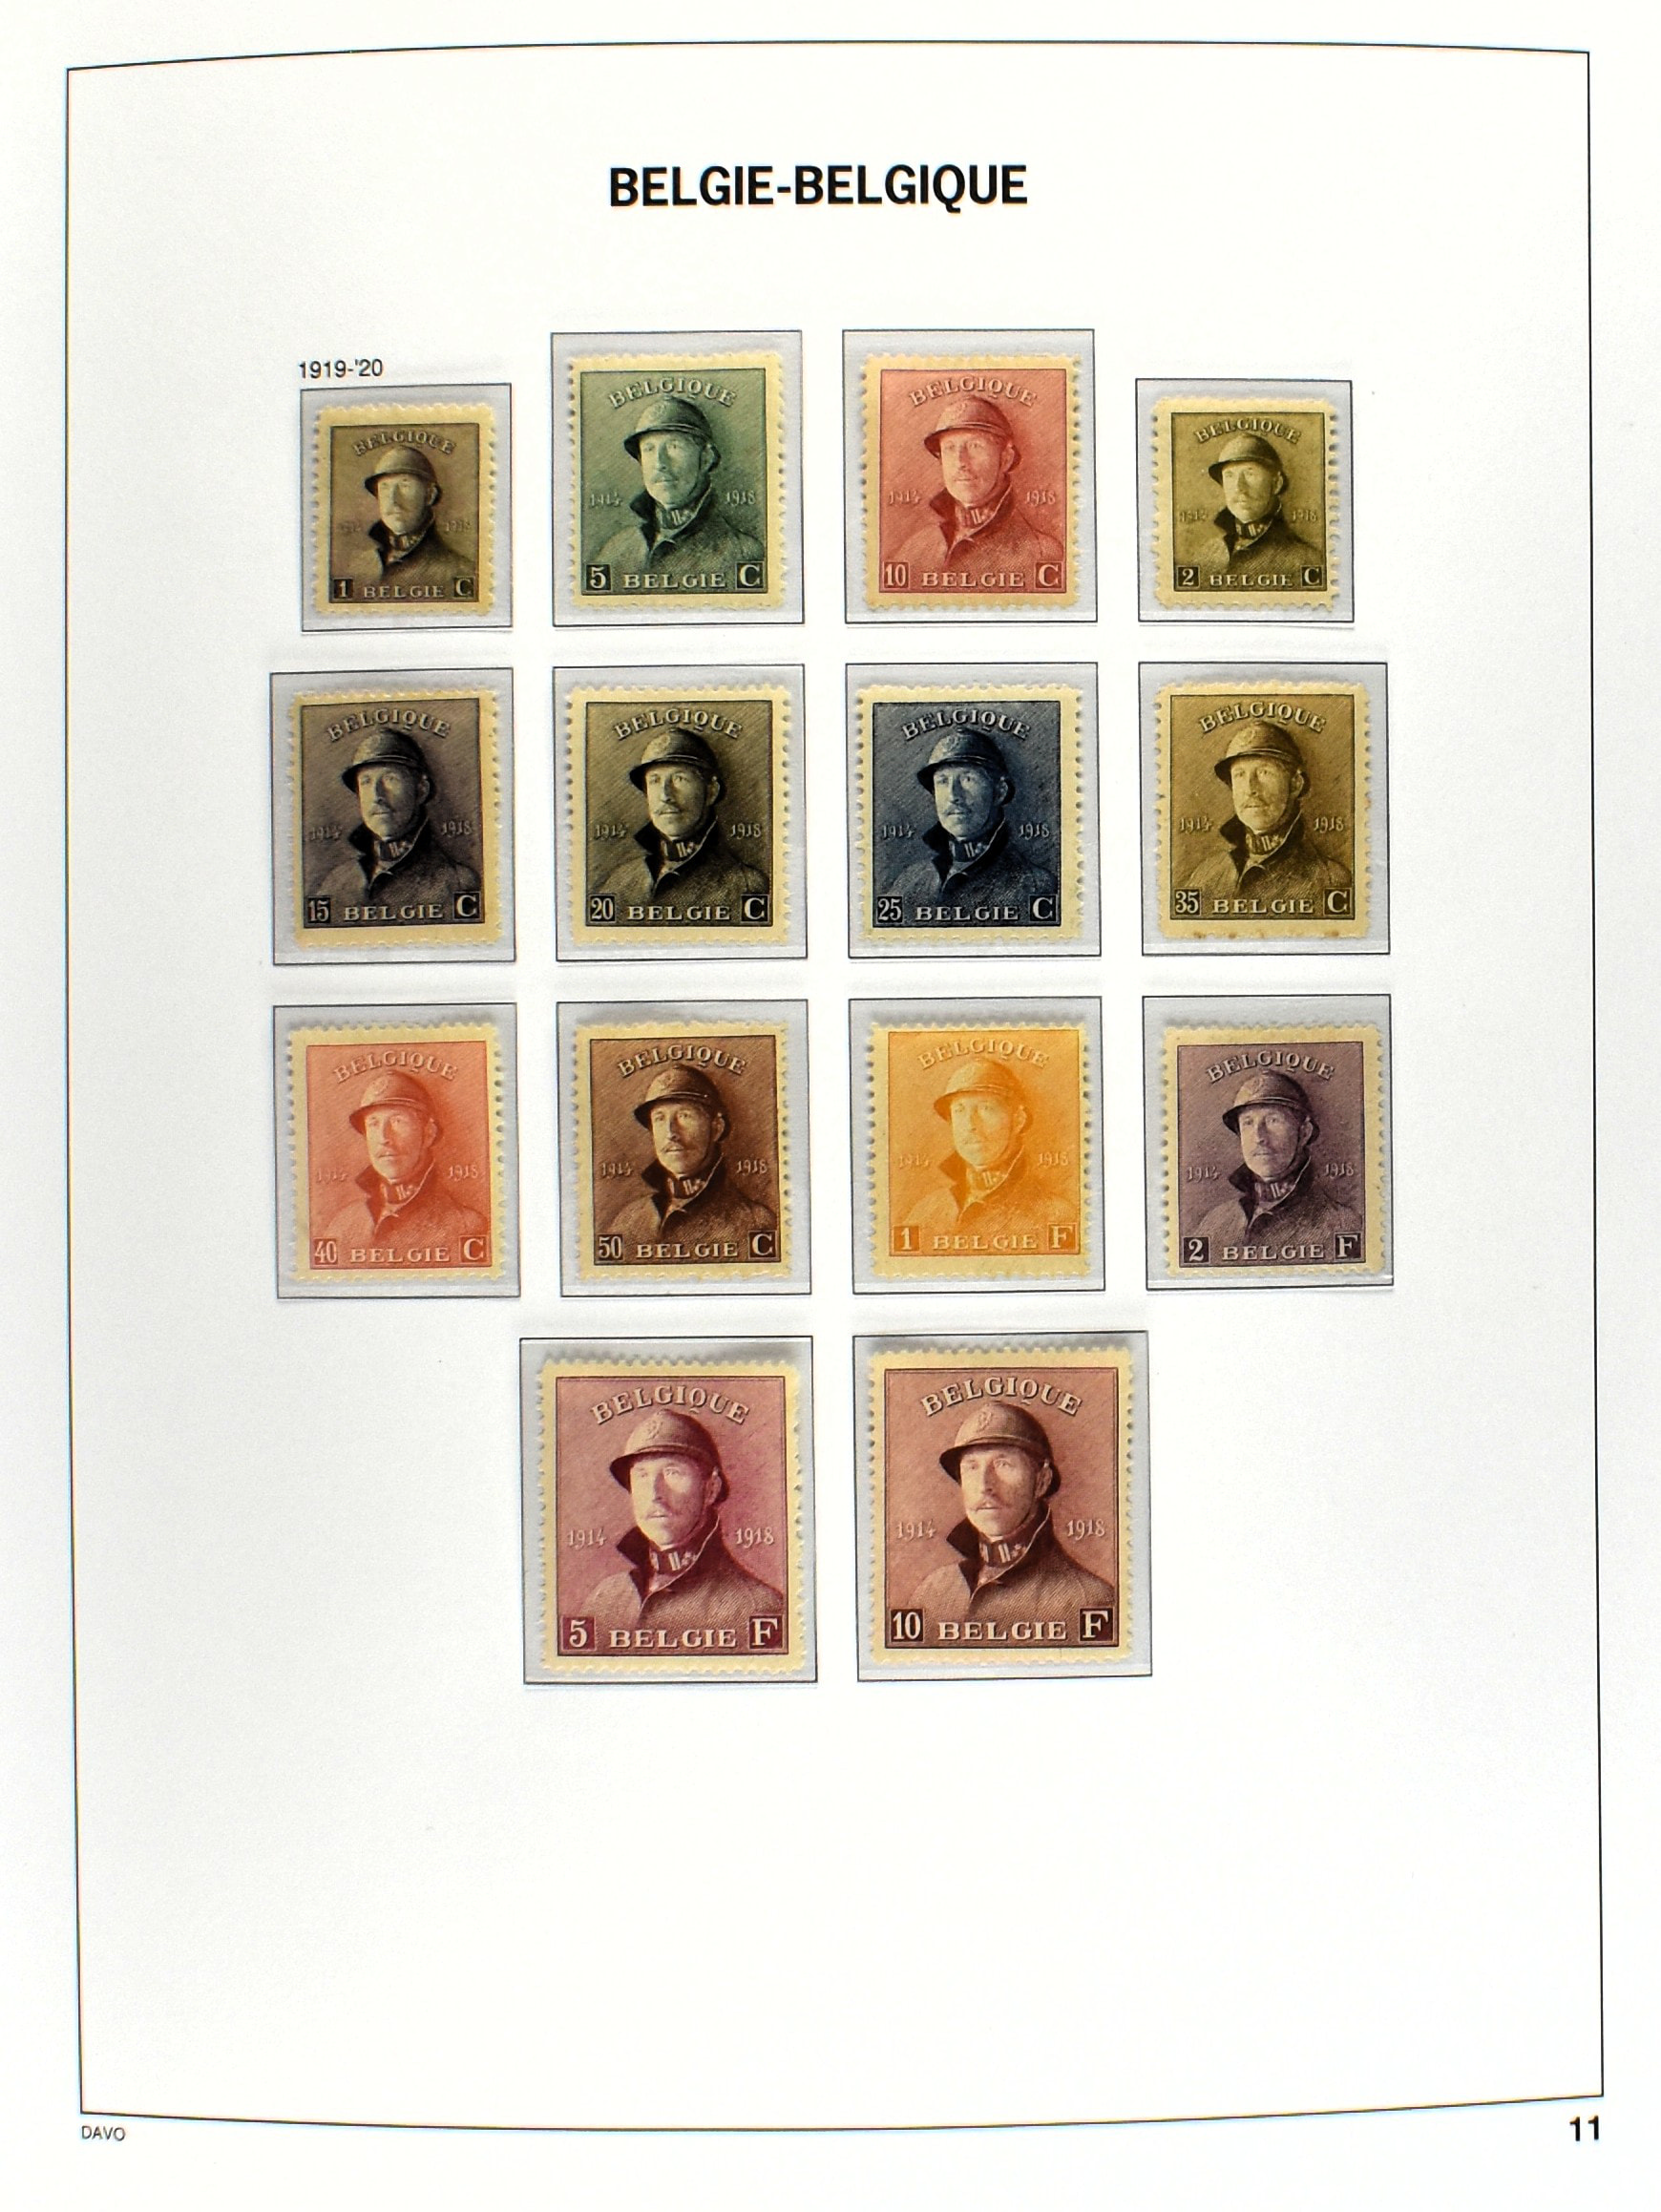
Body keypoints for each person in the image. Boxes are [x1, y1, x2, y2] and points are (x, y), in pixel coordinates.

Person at [579, 1409, 785, 1642]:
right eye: (642, 1475)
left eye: (672, 1472)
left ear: (711, 1489)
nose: (654, 1494)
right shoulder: (605, 1600)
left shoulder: (758, 1608)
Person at [910, 1402, 1115, 1628]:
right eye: (972, 1467)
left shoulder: (1089, 1600)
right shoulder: (933, 1593)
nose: (984, 1486)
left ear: (1042, 1481)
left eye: (1003, 1464)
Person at [882, 726, 1058, 926]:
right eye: (942, 781)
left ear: (1000, 792)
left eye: (968, 779)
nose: (953, 795)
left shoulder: (1036, 887)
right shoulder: (910, 882)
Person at [603, 1064, 777, 1259]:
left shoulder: (757, 1223)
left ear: (716, 1128)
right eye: (660, 1119)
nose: (671, 1133)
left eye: (684, 1116)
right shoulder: (627, 1222)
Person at [898, 1058, 1075, 1250]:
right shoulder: (926, 1212)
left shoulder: (1057, 1216)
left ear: (1018, 1120)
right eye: (959, 1110)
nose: (970, 1124)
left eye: (986, 1108)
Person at [890, 394, 1063, 586]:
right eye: (949, 448)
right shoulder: (915, 549)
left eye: (975, 446)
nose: (960, 462)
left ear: (1005, 459)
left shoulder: (1043, 554)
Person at [1178, 725, 1351, 915]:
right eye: (1240, 775)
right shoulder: (1206, 876)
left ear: (1295, 785)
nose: (1250, 788)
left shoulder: (1331, 880)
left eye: (1264, 772)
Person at [597, 727, 767, 919]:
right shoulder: (619, 883)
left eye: (679, 779)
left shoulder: (747, 887)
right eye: (654, 780)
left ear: (711, 791)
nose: (665, 795)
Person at [592, 395, 765, 586]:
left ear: (706, 459)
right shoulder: (616, 550)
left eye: (674, 446)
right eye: (649, 449)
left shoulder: (744, 554)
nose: (660, 463)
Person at [312, 727, 481, 921]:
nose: (377, 795)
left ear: (421, 790)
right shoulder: (335, 884)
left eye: (390, 779)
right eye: (366, 781)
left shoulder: (459, 884)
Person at [1189, 1069, 1361, 1258]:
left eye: (1273, 1120)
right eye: (1248, 1123)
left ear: (1304, 1133)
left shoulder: (1343, 1225)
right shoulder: (1215, 1223)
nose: (1259, 1137)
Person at [322, 1070, 488, 1257]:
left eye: (397, 1121)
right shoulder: (342, 1227)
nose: (384, 1138)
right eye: (374, 1124)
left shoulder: (468, 1227)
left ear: (428, 1133)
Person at [1187, 431, 1323, 581]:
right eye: (1230, 476)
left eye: (1250, 474)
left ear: (1276, 484)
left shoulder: (1307, 560)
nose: (1239, 487)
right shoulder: (1205, 556)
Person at [347, 442, 475, 593]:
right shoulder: (360, 566)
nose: (393, 500)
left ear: (429, 495)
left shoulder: (459, 570)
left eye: (405, 486)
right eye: (385, 487)